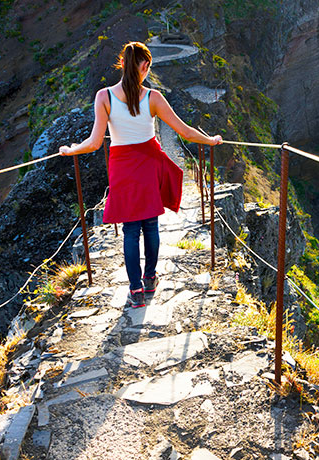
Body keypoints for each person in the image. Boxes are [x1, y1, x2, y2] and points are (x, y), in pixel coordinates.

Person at [59, 41, 221, 308]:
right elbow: (185, 131)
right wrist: (211, 140)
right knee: (151, 226)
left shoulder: (104, 97)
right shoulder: (153, 98)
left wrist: (70, 150)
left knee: (130, 230)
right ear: (145, 66)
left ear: (122, 64)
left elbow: (95, 142)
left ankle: (135, 291)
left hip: (122, 167)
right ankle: (150, 278)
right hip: (147, 165)